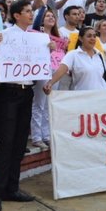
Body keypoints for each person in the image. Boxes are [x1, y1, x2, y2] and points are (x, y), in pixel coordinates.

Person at [0, 0, 38, 210]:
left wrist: (49, 48)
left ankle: (12, 188)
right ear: (16, 15)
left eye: (31, 10)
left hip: (28, 93)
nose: (31, 14)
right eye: (27, 11)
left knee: (19, 143)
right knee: (6, 142)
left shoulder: (36, 40)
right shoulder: (3, 37)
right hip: (8, 93)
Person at [43, 26, 106, 92]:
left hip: (102, 98)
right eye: (89, 36)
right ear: (81, 38)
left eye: (94, 36)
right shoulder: (73, 55)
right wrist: (50, 83)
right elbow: (61, 71)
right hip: (83, 99)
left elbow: (104, 79)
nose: (92, 38)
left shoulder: (99, 55)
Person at [29, 8, 67, 150]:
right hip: (41, 71)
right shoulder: (34, 35)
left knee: (48, 105)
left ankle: (46, 136)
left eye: (53, 16)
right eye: (47, 16)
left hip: (54, 72)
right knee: (39, 103)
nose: (51, 18)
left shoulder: (59, 38)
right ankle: (37, 137)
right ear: (41, 19)